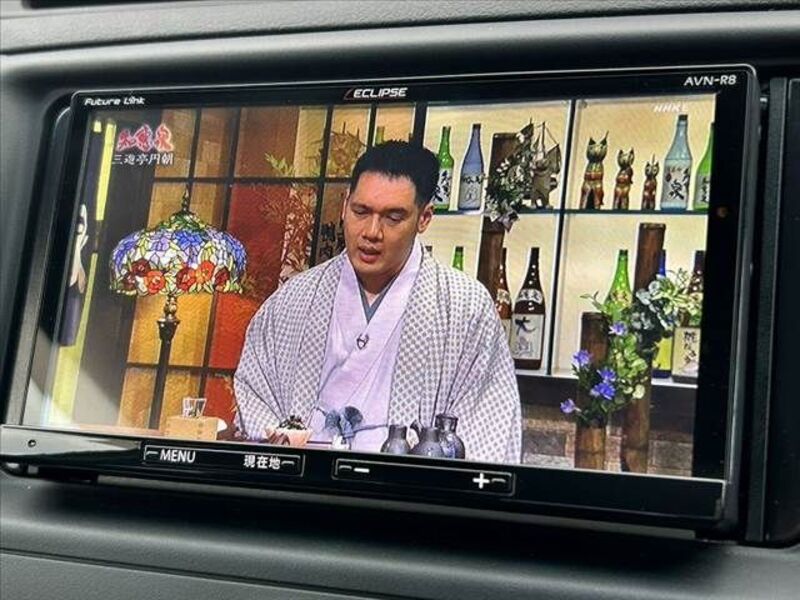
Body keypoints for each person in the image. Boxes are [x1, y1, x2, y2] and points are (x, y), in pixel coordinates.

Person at [234, 141, 521, 463]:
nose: (371, 232)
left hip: (407, 487)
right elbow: (255, 393)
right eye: (361, 212)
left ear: (424, 218)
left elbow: (488, 427)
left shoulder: (465, 307)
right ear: (345, 205)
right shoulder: (294, 299)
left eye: (393, 217)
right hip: (302, 481)